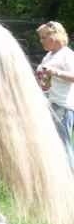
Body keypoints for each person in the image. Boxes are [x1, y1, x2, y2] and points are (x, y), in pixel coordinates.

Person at [35, 21, 74, 169]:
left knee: (63, 146)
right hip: (48, 105)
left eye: (44, 37)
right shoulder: (49, 56)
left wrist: (55, 72)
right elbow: (45, 79)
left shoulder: (67, 55)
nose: (41, 41)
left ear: (55, 35)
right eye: (41, 37)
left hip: (62, 106)